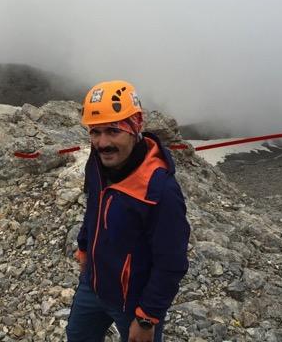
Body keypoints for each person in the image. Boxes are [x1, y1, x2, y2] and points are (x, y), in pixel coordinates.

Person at [66, 80, 191, 342]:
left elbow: (171, 261)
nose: (102, 143)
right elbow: (95, 207)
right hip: (94, 284)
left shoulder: (160, 190)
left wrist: (147, 318)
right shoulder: (97, 163)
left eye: (113, 131)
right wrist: (84, 246)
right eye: (95, 132)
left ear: (135, 127)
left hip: (134, 301)